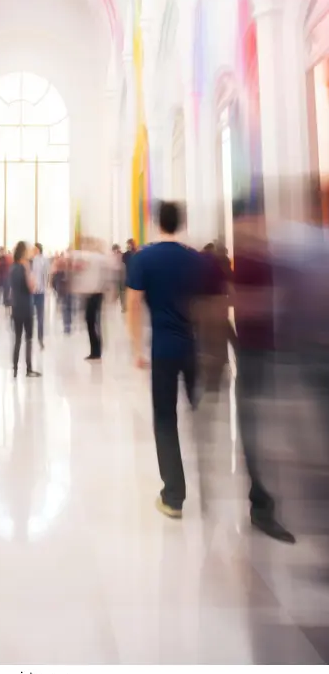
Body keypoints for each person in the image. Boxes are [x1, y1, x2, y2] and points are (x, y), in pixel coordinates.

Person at [127, 202, 201, 519]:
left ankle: (173, 496)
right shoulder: (194, 259)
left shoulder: (144, 258)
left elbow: (133, 304)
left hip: (163, 351)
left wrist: (136, 349)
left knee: (165, 420)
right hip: (193, 348)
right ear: (181, 224)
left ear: (158, 223)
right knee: (201, 414)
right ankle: (209, 486)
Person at [232, 195, 295, 543]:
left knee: (271, 429)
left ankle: (268, 501)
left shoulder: (266, 258)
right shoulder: (246, 260)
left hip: (273, 352)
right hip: (255, 353)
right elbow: (242, 305)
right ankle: (262, 506)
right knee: (257, 430)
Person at [10, 241, 41, 379]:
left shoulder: (12, 268)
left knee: (17, 338)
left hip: (16, 307)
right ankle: (29, 368)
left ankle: (15, 368)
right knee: (28, 338)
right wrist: (28, 270)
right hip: (26, 307)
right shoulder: (25, 267)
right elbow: (32, 287)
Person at [73, 238, 107, 361]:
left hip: (94, 293)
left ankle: (96, 351)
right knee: (92, 321)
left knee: (91, 321)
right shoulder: (99, 258)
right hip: (95, 292)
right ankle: (96, 350)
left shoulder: (93, 257)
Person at [31, 243, 47, 350]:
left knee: (39, 317)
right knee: (36, 316)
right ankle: (35, 337)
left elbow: (45, 275)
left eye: (35, 249)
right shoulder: (32, 260)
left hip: (38, 291)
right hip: (35, 291)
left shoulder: (41, 260)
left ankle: (39, 338)